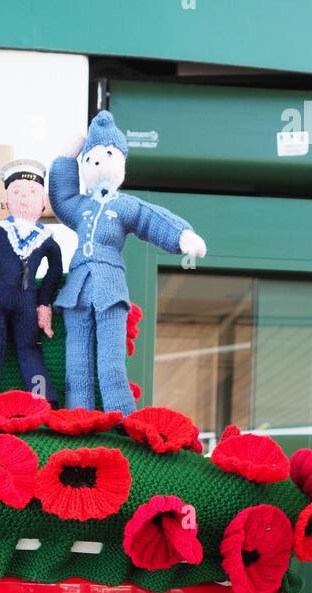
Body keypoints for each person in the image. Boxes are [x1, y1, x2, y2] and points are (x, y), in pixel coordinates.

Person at [48, 110, 208, 416]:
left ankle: (121, 418)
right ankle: (77, 415)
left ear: (120, 159)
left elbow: (151, 219)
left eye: (105, 155)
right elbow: (61, 196)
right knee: (76, 361)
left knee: (111, 362)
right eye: (90, 159)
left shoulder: (125, 205)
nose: (96, 163)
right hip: (78, 290)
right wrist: (66, 157)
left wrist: (182, 236)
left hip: (110, 288)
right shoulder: (79, 207)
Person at [0, 159, 63, 404]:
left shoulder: (46, 238)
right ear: (7, 200)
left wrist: (44, 301)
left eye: (32, 192)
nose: (24, 198)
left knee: (29, 348)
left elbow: (56, 270)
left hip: (28, 304)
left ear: (43, 201)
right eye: (17, 192)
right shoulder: (0, 231)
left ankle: (43, 400)